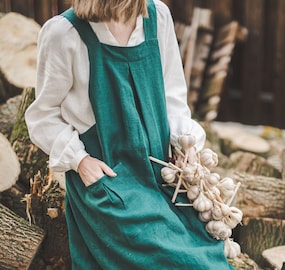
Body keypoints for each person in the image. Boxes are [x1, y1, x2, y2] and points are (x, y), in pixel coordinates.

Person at [25, 0, 235, 269]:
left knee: (207, 253)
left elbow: (172, 94)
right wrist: (81, 162)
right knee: (182, 261)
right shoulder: (64, 34)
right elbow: (42, 115)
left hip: (163, 175)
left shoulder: (157, 16)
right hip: (112, 183)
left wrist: (186, 145)